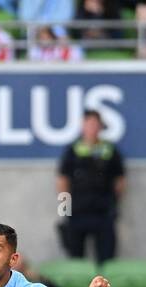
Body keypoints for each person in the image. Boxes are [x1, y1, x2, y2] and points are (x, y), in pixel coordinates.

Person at [56, 109, 126, 264]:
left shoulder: (110, 150)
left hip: (103, 212)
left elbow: (120, 180)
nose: (92, 128)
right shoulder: (73, 150)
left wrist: (114, 204)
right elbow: (62, 181)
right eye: (88, 124)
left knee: (107, 258)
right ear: (83, 126)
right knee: (75, 257)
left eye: (95, 124)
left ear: (100, 127)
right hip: (77, 212)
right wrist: (64, 210)